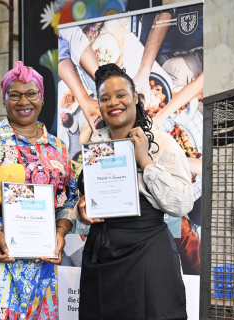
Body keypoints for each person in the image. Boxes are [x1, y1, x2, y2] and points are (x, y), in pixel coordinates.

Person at [0, 61, 78, 319]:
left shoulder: (58, 148)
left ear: (42, 99)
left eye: (31, 93)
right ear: (4, 100)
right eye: (15, 94)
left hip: (40, 269)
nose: (23, 101)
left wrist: (61, 232)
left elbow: (68, 201)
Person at [77, 64, 194, 319]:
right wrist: (83, 207)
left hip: (147, 253)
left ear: (136, 99)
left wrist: (145, 160)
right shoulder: (95, 145)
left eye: (120, 95)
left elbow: (182, 203)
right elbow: (87, 200)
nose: (113, 102)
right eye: (105, 98)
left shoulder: (162, 143)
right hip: (101, 254)